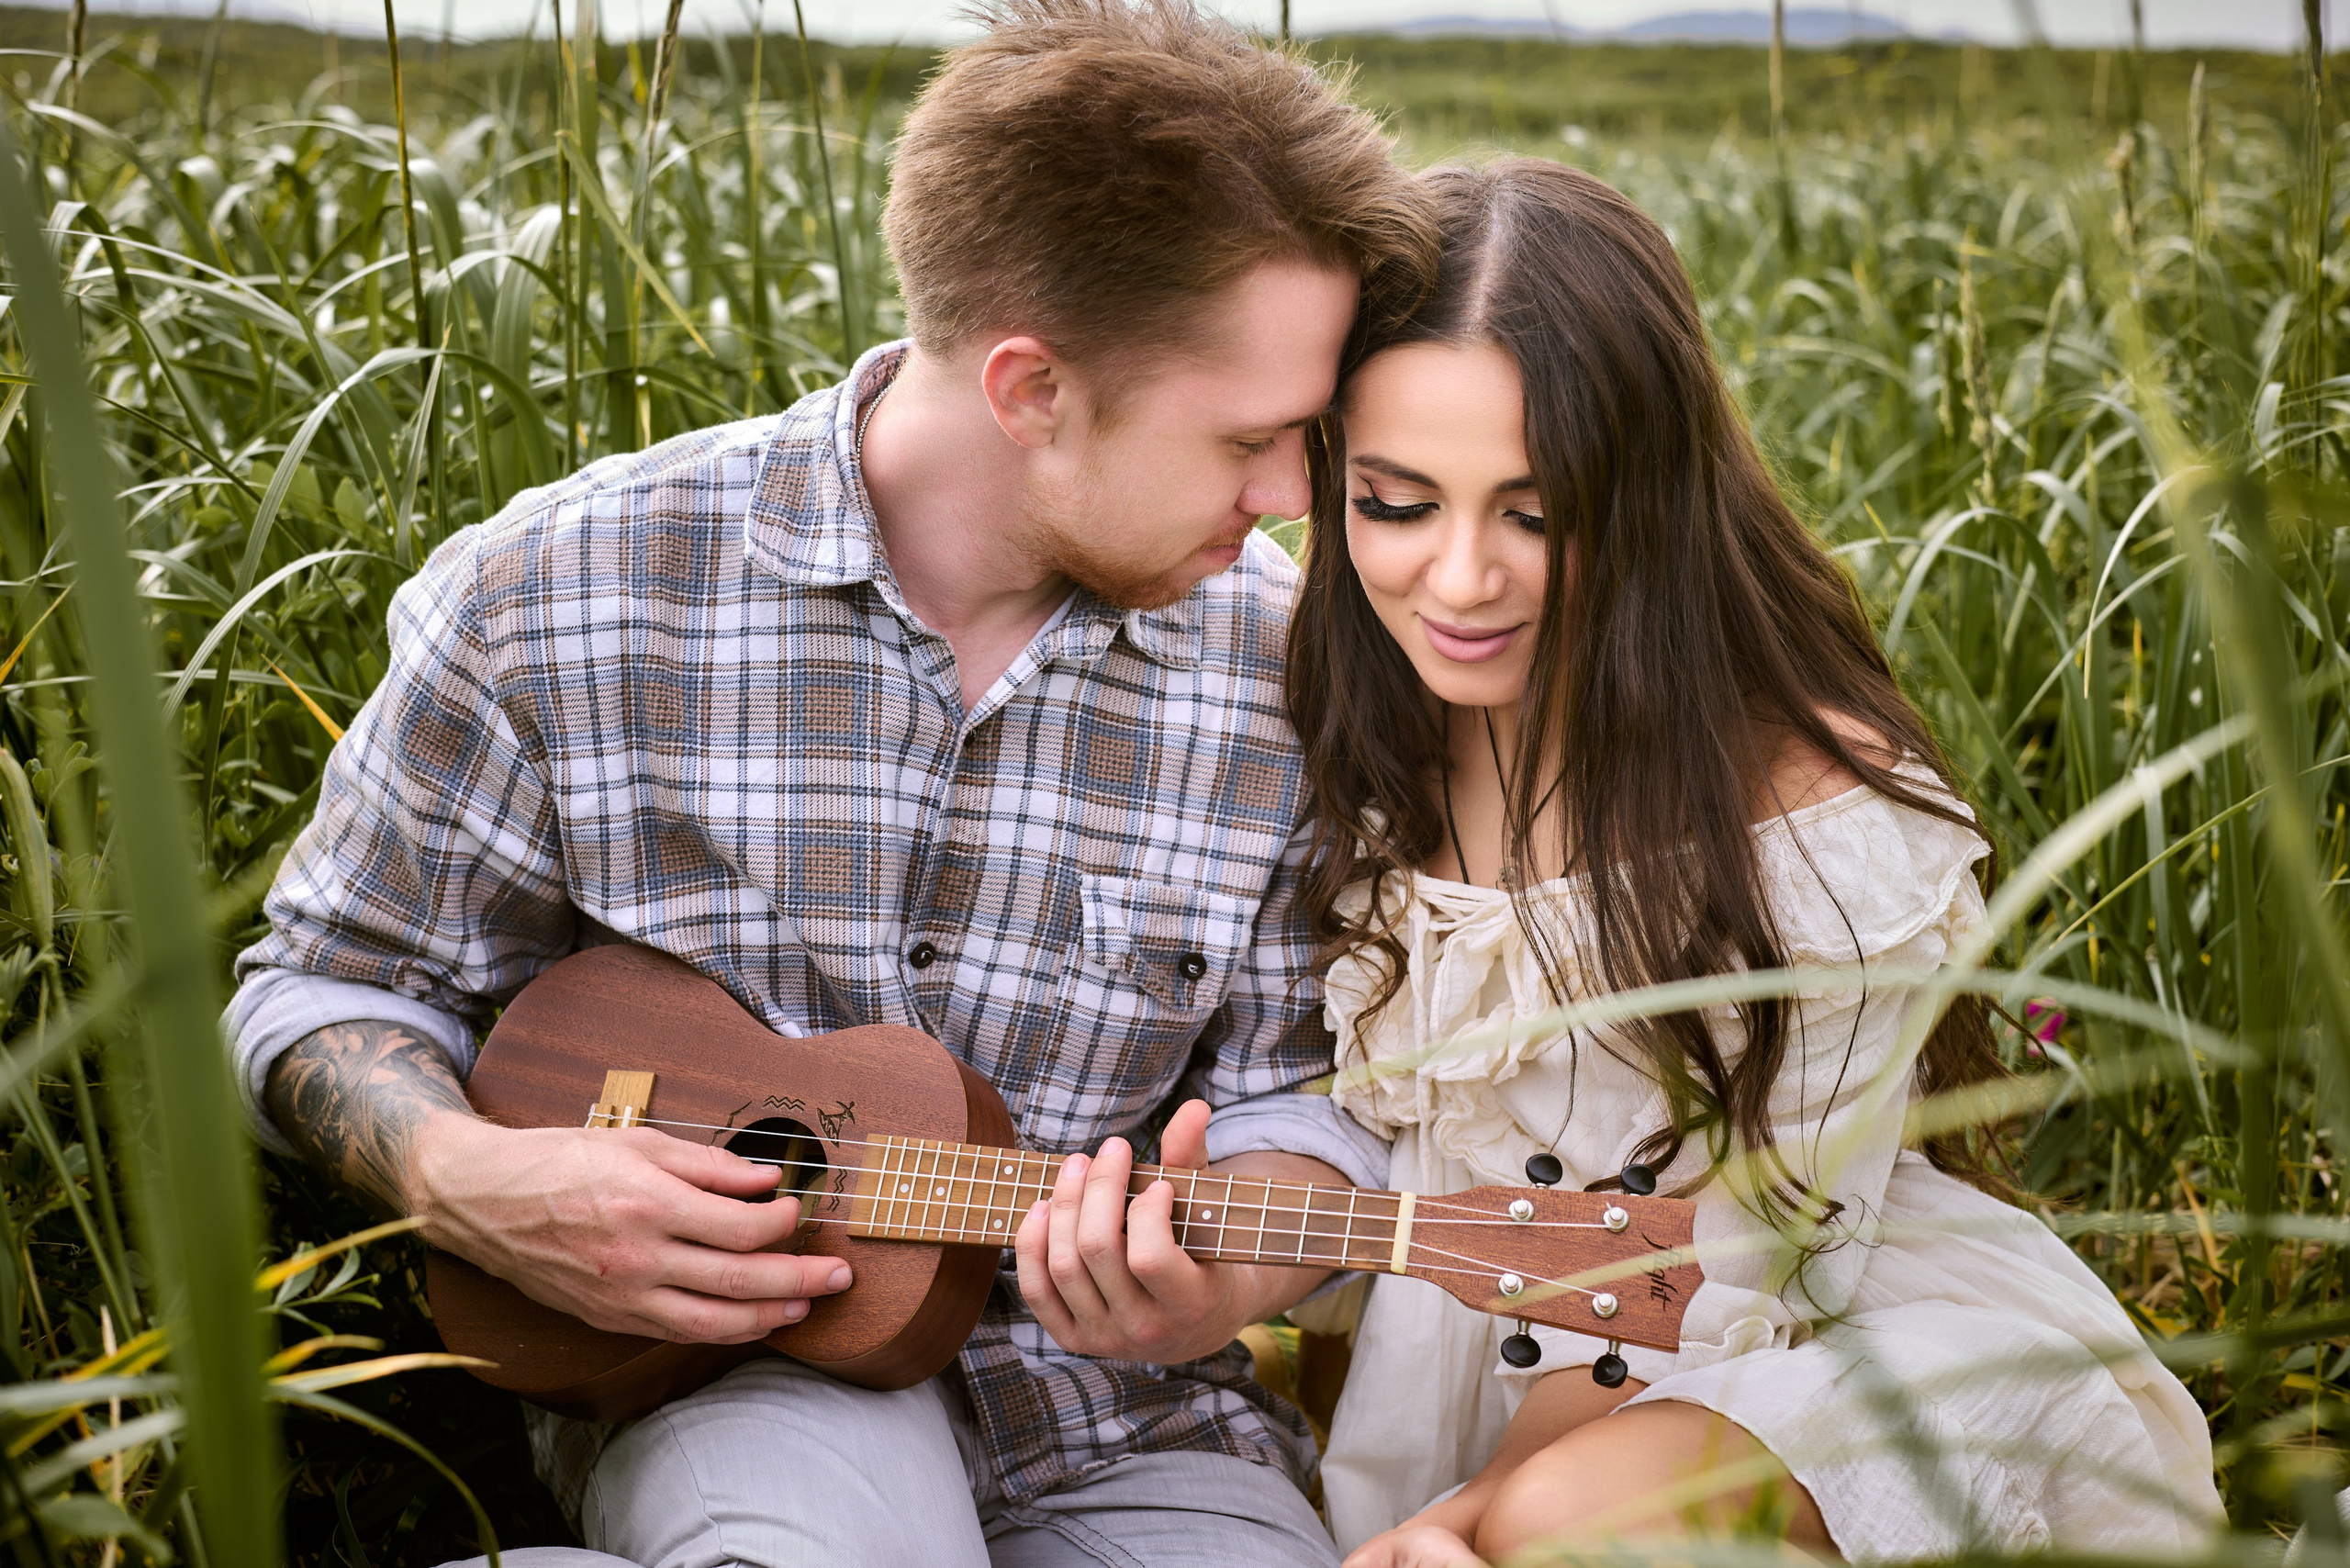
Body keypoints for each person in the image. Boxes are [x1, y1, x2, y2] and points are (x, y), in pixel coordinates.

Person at [224, 6, 1438, 1563]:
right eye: (1253, 441)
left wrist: (1229, 1274)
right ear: (1032, 389)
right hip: (740, 1384)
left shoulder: (1296, 673)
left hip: (1130, 1423)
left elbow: (1307, 1094)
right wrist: (466, 1176)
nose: (1289, 501)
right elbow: (325, 981)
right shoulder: (563, 593)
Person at [1283, 158, 2224, 1564]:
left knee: (1564, 1526)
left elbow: (1727, 1269)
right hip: (1455, 1356)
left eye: (1538, 513)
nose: (1464, 578)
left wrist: (1468, 1517)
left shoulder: (1809, 802)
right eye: (1397, 503)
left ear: (1652, 497)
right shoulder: (1344, 724)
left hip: (1790, 1335)